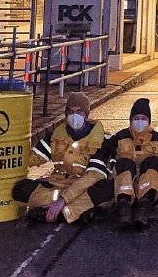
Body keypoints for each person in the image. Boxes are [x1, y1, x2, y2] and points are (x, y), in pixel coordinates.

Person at [12, 92, 112, 224]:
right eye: (71, 111)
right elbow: (32, 158)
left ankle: (57, 211)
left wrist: (62, 200)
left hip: (83, 186)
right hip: (57, 184)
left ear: (86, 114)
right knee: (20, 189)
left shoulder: (102, 141)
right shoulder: (55, 136)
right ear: (66, 113)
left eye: (79, 111)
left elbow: (93, 176)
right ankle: (72, 211)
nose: (74, 116)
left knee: (107, 189)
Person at [85, 98, 158, 230]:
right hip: (123, 191)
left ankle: (142, 211)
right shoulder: (120, 138)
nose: (139, 122)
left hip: (151, 193)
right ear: (130, 119)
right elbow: (103, 155)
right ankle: (124, 211)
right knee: (124, 163)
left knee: (152, 162)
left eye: (143, 118)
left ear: (149, 120)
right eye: (136, 118)